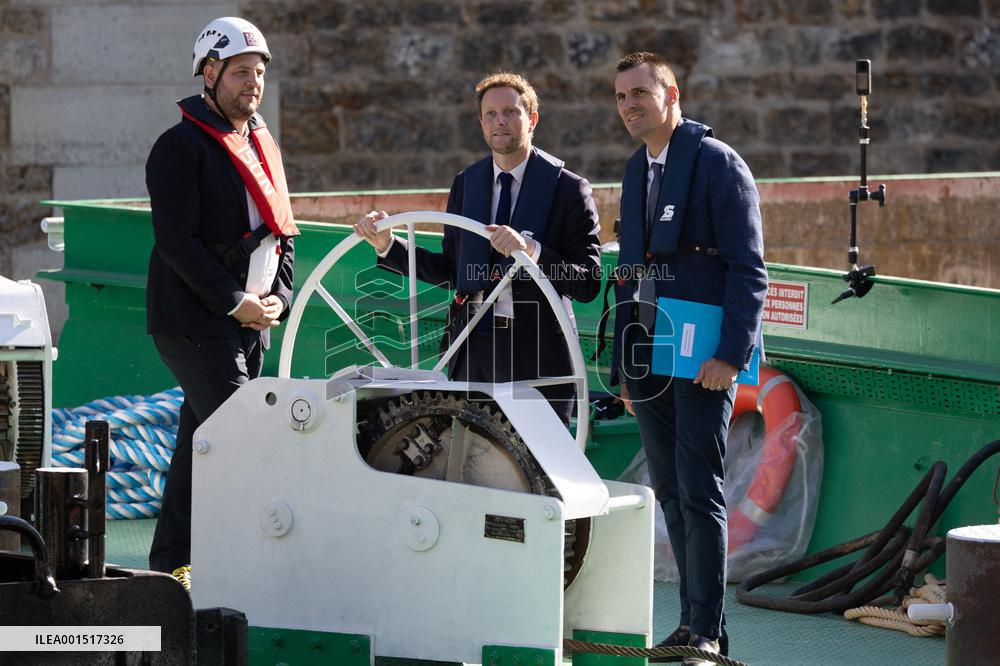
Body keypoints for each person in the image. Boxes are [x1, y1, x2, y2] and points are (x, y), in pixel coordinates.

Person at [608, 52, 768, 664]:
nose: (630, 105)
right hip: (650, 353)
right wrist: (626, 360)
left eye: (641, 93)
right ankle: (689, 626)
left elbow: (748, 267)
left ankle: (709, 630)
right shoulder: (634, 169)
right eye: (622, 97)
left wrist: (732, 353)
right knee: (670, 490)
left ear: (671, 95)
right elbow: (630, 271)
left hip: (704, 357)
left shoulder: (718, 164)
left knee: (700, 489)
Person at [144, 16, 297, 590]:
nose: (251, 83)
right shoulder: (178, 147)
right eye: (239, 72)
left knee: (198, 442)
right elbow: (175, 243)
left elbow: (282, 230)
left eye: (257, 73)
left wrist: (277, 296)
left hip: (249, 321)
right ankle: (256, 569)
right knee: (242, 435)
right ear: (209, 74)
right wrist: (236, 302)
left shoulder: (262, 143)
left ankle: (169, 568)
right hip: (193, 321)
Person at [353, 72, 601, 424]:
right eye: (491, 114)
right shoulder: (466, 184)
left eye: (511, 112)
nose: (500, 121)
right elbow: (453, 271)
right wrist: (388, 245)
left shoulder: (569, 188)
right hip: (474, 351)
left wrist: (531, 250)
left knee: (540, 472)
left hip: (542, 357)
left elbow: (588, 282)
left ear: (532, 119)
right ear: (481, 123)